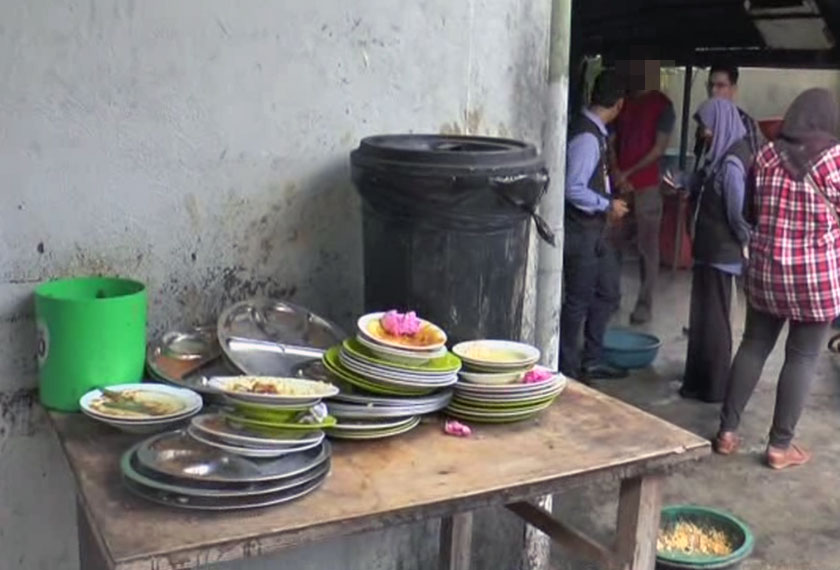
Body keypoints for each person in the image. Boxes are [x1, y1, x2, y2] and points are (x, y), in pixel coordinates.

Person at [715, 88, 840, 470]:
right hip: (815, 280)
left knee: (753, 345)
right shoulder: (836, 161)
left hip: (767, 272)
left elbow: (751, 210)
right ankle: (779, 447)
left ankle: (727, 432)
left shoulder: (766, 154)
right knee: (802, 358)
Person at [673, 99, 752, 403]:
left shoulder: (732, 162)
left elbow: (735, 213)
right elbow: (702, 184)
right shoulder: (715, 154)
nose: (703, 131)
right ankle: (697, 382)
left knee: (716, 322)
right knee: (702, 318)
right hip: (708, 250)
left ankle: (715, 387)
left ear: (720, 123)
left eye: (706, 125)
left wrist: (746, 241)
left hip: (722, 254)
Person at [560, 71, 629, 381]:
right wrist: (607, 204)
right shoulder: (587, 137)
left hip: (595, 232)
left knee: (607, 292)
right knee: (577, 301)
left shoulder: (592, 131)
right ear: (619, 104)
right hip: (582, 230)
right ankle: (568, 367)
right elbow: (572, 188)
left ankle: (592, 357)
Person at [611, 60, 676, 325]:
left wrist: (625, 172)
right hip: (622, 185)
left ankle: (644, 304)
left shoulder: (663, 105)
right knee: (612, 242)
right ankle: (610, 295)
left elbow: (659, 149)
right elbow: (610, 140)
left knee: (647, 249)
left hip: (646, 185)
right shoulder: (623, 101)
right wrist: (616, 171)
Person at [705, 63, 764, 156]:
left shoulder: (744, 122)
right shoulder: (705, 119)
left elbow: (753, 162)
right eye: (711, 85)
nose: (713, 90)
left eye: (720, 86)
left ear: (733, 89)